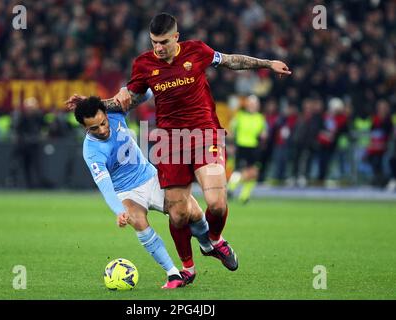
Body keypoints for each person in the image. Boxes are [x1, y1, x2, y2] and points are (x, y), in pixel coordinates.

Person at [67, 12, 291, 278]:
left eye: (163, 42)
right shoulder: (144, 64)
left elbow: (231, 61)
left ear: (176, 37)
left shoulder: (197, 51)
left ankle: (215, 241)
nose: (158, 48)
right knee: (180, 213)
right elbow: (130, 100)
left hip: (205, 133)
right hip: (171, 141)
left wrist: (267, 63)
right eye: (153, 42)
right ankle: (185, 268)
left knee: (216, 203)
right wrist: (92, 105)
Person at [69, 95, 214, 288]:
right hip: (126, 192)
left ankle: (207, 245)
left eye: (103, 123)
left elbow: (146, 93)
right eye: (94, 128)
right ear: (84, 128)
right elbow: (106, 187)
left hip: (150, 177)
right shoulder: (91, 152)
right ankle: (173, 273)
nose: (102, 130)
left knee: (192, 212)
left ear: (105, 113)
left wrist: (118, 95)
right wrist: (119, 211)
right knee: (137, 219)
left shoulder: (115, 112)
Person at [227, 95, 267, 203]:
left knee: (253, 172)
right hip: (241, 146)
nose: (253, 106)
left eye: (255, 104)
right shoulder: (240, 116)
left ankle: (244, 195)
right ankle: (231, 188)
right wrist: (230, 145)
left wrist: (263, 137)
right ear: (247, 105)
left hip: (254, 147)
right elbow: (230, 131)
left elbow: (264, 134)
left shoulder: (260, 118)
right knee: (240, 170)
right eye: (251, 104)